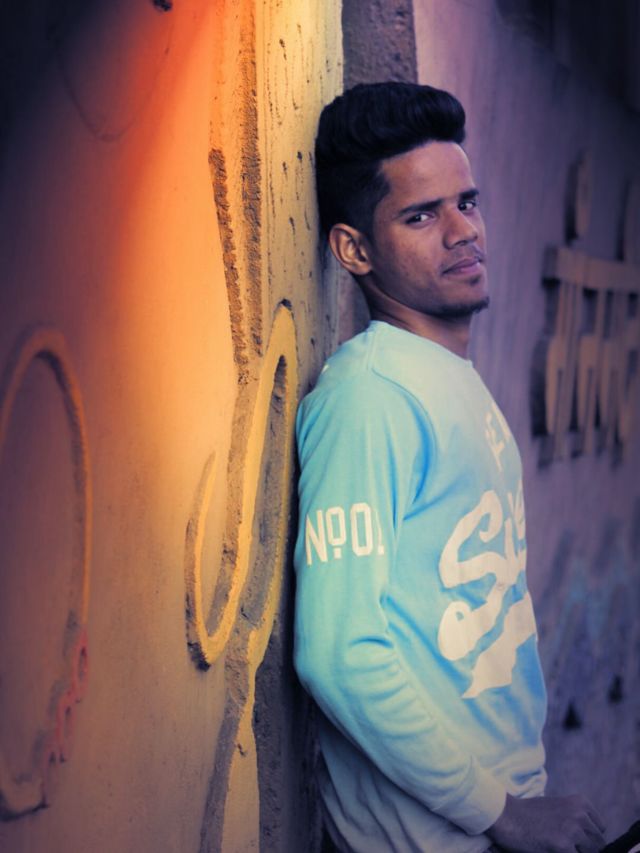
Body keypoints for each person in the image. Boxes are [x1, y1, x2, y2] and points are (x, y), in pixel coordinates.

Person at [292, 82, 607, 853]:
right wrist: (503, 811)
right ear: (354, 250)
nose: (464, 231)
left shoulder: (447, 377)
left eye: (467, 202)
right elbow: (338, 655)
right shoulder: (369, 397)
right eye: (422, 215)